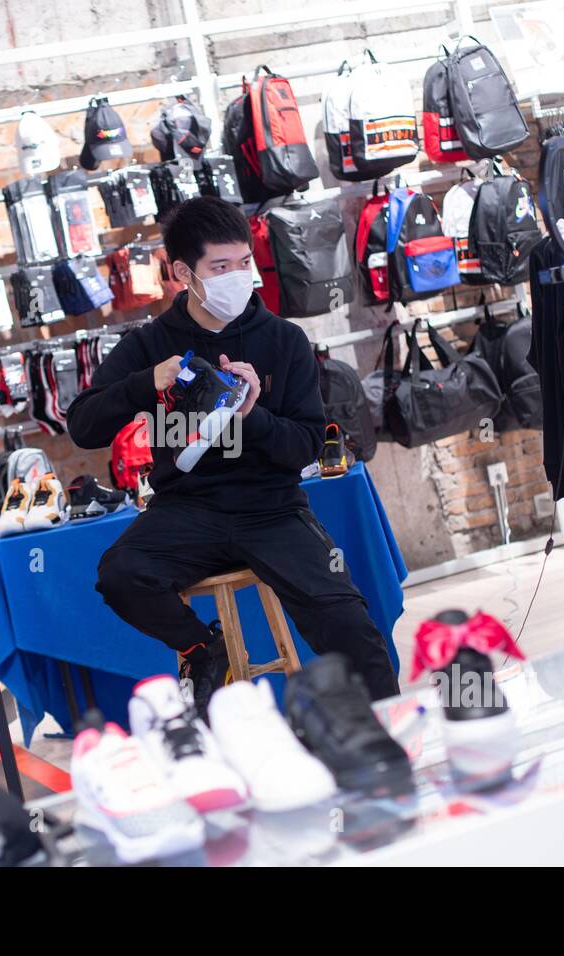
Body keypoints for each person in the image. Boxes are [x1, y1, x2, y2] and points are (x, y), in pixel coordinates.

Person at [67, 196, 398, 711]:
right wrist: (144, 385)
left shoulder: (284, 342)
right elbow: (82, 426)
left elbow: (307, 446)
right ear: (182, 272)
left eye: (243, 263)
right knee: (120, 574)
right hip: (186, 511)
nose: (237, 277)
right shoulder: (150, 344)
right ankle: (204, 648)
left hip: (272, 509)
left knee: (348, 623)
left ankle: (389, 732)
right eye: (220, 267)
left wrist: (253, 415)